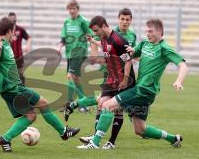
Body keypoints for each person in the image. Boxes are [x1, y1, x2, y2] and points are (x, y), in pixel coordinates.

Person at [77, 18, 188, 149]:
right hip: (140, 89)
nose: (147, 34)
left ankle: (95, 143)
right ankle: (173, 139)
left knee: (107, 105)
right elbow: (131, 52)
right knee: (140, 130)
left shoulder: (164, 48)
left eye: (150, 31)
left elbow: (183, 65)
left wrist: (178, 81)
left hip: (145, 90)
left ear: (159, 31)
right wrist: (129, 50)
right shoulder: (145, 43)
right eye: (147, 31)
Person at [0, 17, 80, 152]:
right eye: (13, 31)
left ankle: (5, 139)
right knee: (43, 103)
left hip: (13, 87)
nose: (14, 34)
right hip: (12, 88)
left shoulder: (4, 44)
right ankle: (63, 132)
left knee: (31, 116)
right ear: (8, 31)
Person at [64, 15, 135, 149]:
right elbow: (103, 45)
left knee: (113, 109)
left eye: (96, 31)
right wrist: (93, 40)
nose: (95, 34)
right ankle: (96, 139)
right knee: (101, 102)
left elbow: (128, 61)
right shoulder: (104, 38)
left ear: (103, 26)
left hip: (122, 80)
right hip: (111, 78)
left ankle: (102, 142)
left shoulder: (118, 40)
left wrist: (125, 80)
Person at [57, 0, 93, 112]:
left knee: (70, 76)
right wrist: (59, 47)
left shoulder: (82, 21)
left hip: (79, 52)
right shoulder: (67, 22)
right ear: (68, 10)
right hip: (70, 53)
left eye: (74, 8)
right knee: (76, 79)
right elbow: (63, 38)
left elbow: (90, 34)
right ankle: (82, 104)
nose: (72, 11)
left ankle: (81, 102)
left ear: (78, 9)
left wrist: (92, 46)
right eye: (70, 9)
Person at [8, 12, 31, 84]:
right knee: (9, 75)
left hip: (19, 56)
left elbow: (28, 38)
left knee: (21, 75)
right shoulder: (6, 30)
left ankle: (23, 90)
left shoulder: (20, 29)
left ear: (16, 19)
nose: (12, 20)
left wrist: (28, 46)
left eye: (14, 19)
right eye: (10, 19)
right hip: (9, 57)